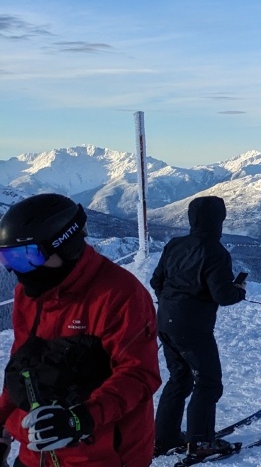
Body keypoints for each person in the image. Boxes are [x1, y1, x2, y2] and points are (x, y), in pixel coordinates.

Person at [0, 193, 161, 467]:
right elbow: (23, 365)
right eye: (9, 259)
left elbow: (139, 374)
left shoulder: (119, 294)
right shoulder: (29, 295)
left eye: (28, 256)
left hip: (103, 456)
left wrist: (80, 419)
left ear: (65, 246)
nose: (19, 271)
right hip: (35, 452)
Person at [151, 196, 247, 460]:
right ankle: (201, 442)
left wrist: (172, 304)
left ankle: (163, 438)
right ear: (219, 220)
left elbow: (156, 280)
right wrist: (238, 291)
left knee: (179, 379)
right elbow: (223, 296)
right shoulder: (215, 251)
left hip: (165, 320)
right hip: (192, 326)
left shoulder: (174, 245)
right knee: (208, 383)